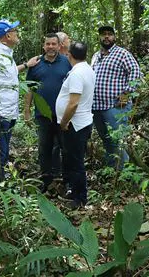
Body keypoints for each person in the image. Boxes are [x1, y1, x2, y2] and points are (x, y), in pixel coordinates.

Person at [0, 19, 39, 186]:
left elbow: (7, 73)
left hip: (8, 114)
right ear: (8, 35)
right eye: (15, 31)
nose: (17, 34)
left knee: (2, 155)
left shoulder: (6, 54)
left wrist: (26, 65)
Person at [24, 33, 71, 193]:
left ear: (59, 46)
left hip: (63, 115)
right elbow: (30, 88)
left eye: (53, 44)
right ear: (44, 46)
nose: (50, 47)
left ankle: (65, 181)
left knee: (65, 148)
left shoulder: (66, 62)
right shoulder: (36, 63)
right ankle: (46, 180)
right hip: (42, 115)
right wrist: (26, 111)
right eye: (48, 44)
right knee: (45, 148)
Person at [91, 26, 142, 169]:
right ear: (99, 37)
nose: (106, 37)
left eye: (109, 34)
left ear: (114, 37)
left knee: (119, 140)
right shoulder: (96, 56)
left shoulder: (122, 54)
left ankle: (124, 173)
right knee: (106, 139)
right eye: (103, 34)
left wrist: (127, 93)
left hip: (115, 106)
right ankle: (113, 170)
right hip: (97, 107)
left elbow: (136, 72)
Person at [56, 42, 96, 209]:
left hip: (75, 124)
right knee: (74, 160)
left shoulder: (77, 74)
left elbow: (73, 103)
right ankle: (74, 190)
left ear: (69, 55)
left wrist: (64, 122)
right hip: (82, 122)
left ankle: (80, 198)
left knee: (76, 162)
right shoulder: (87, 69)